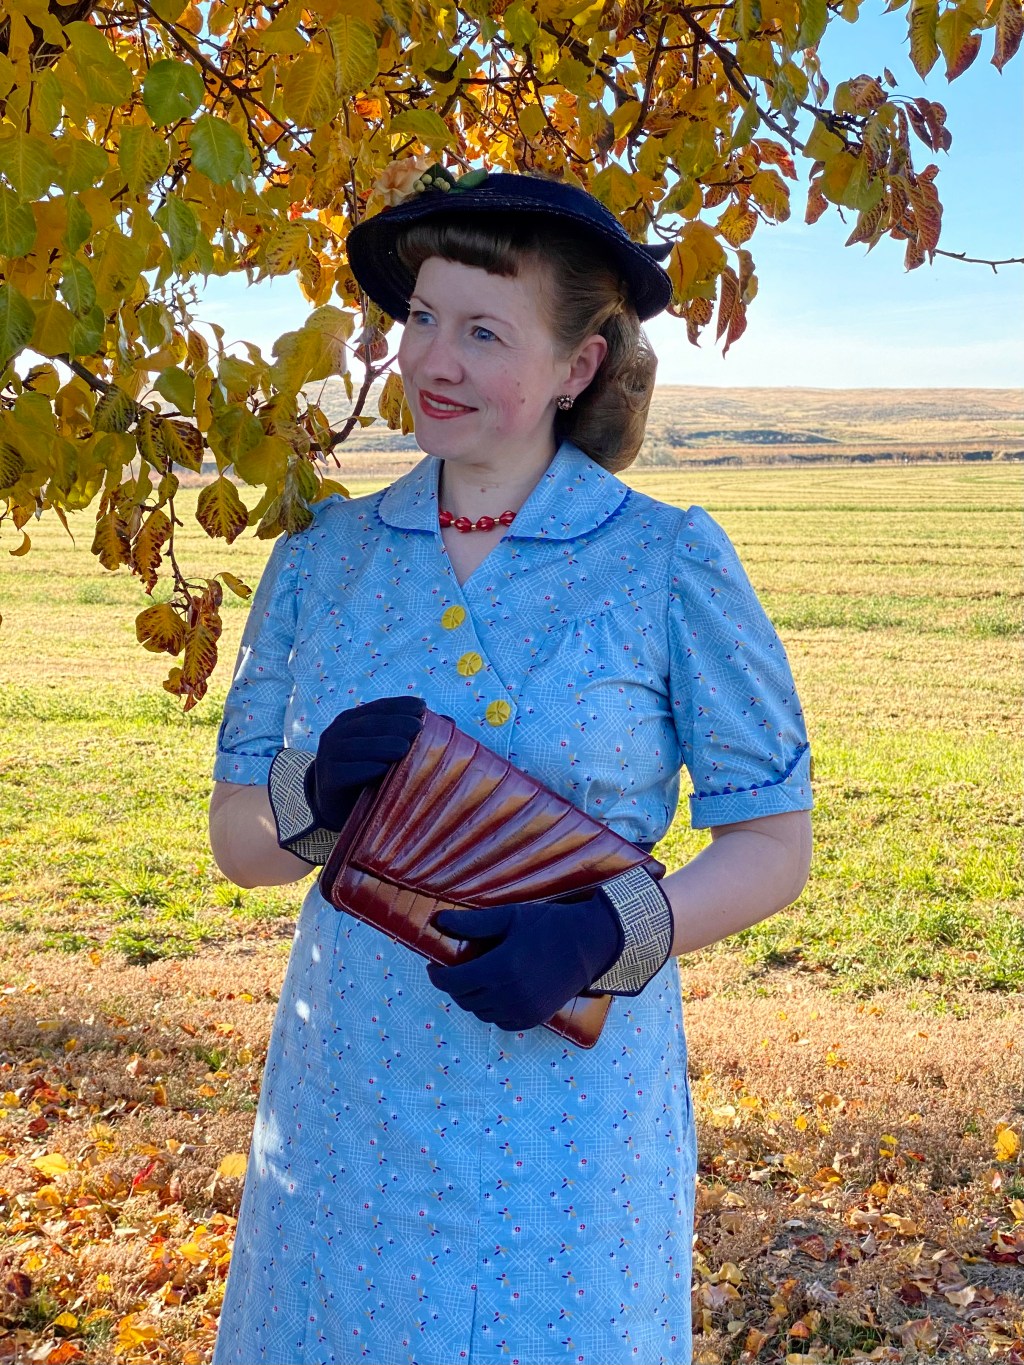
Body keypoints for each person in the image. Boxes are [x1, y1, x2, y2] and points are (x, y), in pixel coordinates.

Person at [208, 168, 813, 1365]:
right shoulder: (321, 560)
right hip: (351, 1089)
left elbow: (770, 844)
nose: (433, 360)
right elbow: (239, 846)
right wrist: (311, 797)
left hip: (573, 1111)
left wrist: (606, 929)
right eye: (420, 320)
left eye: (483, 332)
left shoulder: (666, 562)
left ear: (576, 367)